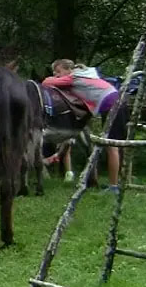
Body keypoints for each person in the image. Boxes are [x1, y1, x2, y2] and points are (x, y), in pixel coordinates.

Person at [42, 58, 125, 191]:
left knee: (112, 146)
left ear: (69, 70)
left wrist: (52, 78)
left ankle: (114, 187)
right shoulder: (84, 76)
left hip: (113, 104)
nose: (56, 75)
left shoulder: (74, 77)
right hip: (115, 102)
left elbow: (46, 82)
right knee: (114, 145)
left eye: (58, 71)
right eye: (54, 72)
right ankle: (115, 182)